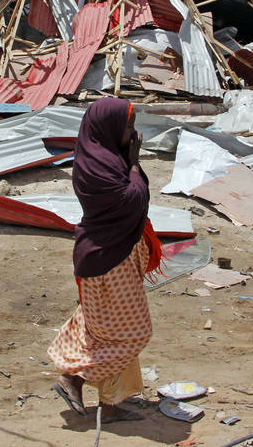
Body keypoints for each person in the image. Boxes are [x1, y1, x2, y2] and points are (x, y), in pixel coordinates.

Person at [48, 97, 163, 422]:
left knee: (106, 332)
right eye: (128, 126)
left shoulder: (105, 157)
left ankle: (112, 405)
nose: (132, 133)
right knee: (133, 333)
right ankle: (73, 377)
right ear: (110, 128)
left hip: (111, 256)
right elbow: (133, 199)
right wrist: (136, 164)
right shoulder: (101, 166)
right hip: (109, 262)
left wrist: (129, 163)